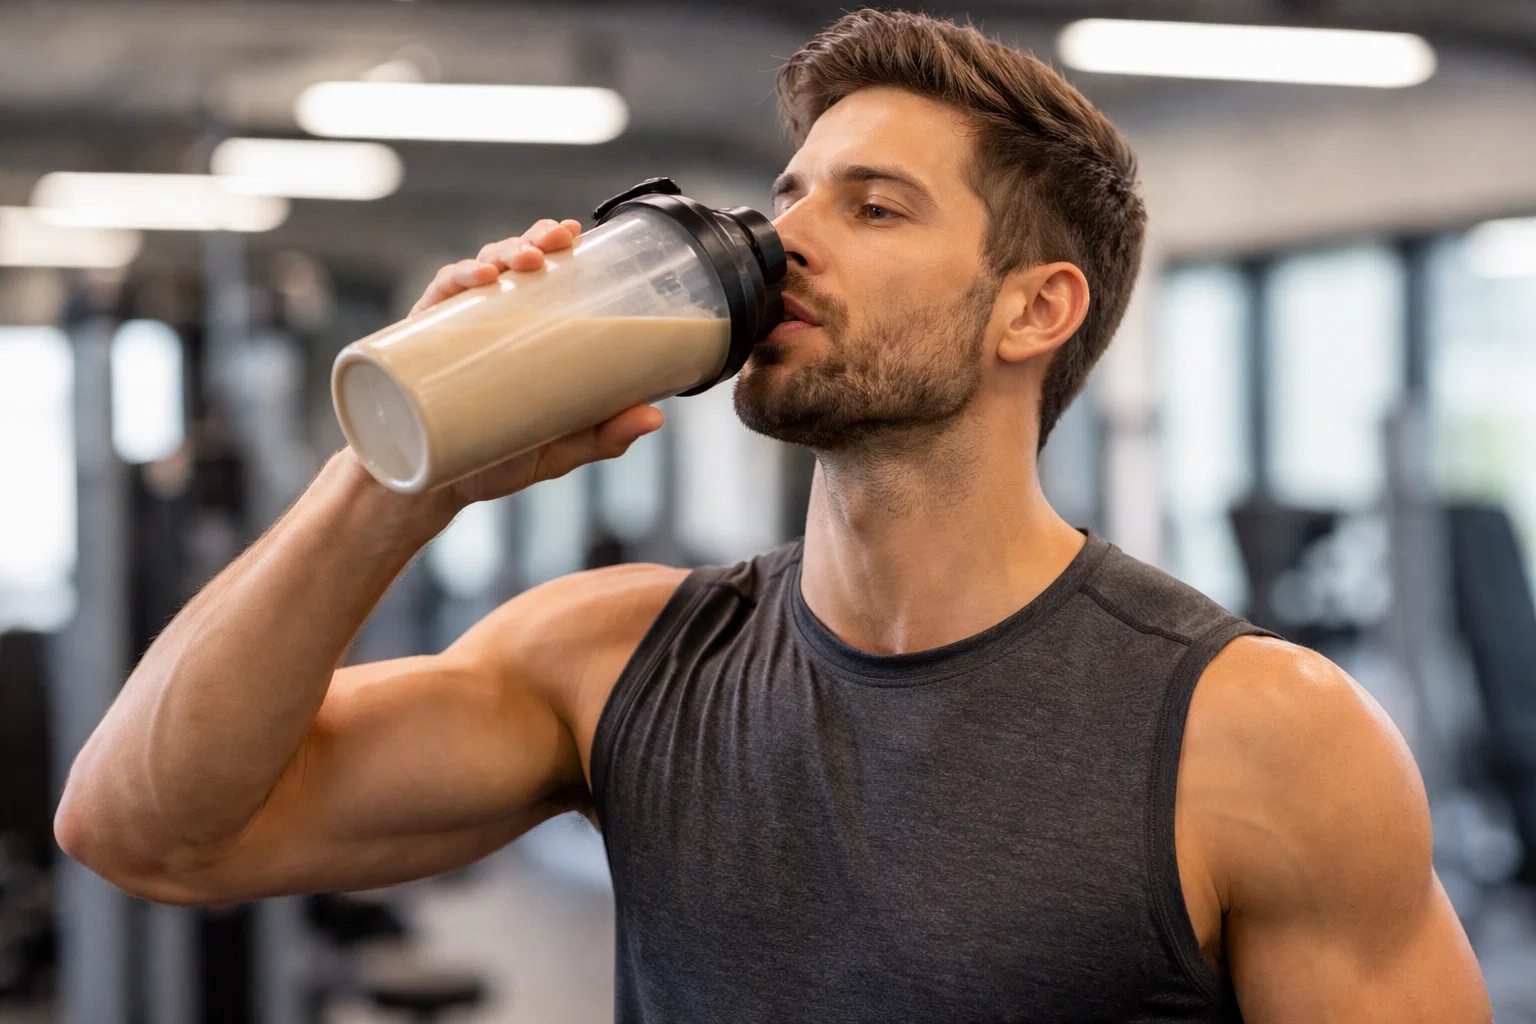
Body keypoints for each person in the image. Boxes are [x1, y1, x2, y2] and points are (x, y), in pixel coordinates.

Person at [57, 10, 1491, 1022]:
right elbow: (145, 829)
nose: (785, 240)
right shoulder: (614, 661)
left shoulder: (1260, 735)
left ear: (1033, 311)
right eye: (791, 195)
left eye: (874, 208)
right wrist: (394, 484)